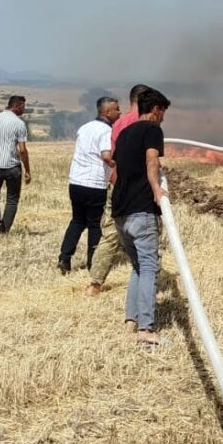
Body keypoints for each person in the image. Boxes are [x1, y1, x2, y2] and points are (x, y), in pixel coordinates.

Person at [112, 87, 170, 345]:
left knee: (137, 267)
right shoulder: (152, 130)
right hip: (141, 209)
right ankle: (146, 330)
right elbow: (150, 161)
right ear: (155, 110)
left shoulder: (124, 133)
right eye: (163, 113)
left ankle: (130, 321)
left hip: (120, 211)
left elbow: (118, 168)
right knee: (149, 268)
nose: (163, 119)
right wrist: (157, 190)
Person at [86, 84, 150, 296]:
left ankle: (94, 284)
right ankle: (145, 280)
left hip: (117, 184)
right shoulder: (144, 122)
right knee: (147, 234)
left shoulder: (119, 123)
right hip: (137, 188)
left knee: (110, 235)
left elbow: (112, 156)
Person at [58, 96, 121, 274]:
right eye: (117, 109)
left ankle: (64, 257)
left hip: (76, 182)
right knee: (94, 224)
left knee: (77, 220)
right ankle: (92, 263)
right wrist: (118, 165)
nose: (120, 112)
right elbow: (106, 155)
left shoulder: (84, 128)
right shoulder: (106, 131)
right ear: (107, 112)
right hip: (94, 184)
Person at [0, 95, 31, 235]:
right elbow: (22, 150)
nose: (24, 109)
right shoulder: (19, 124)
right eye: (23, 107)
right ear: (17, 106)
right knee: (12, 200)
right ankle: (3, 231)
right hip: (12, 167)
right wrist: (27, 170)